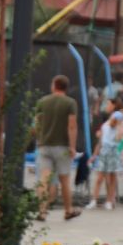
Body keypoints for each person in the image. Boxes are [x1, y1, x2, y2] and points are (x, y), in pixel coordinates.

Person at [34, 75, 81, 221]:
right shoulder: (70, 103)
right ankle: (68, 210)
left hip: (44, 145)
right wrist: (72, 147)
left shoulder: (42, 102)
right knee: (64, 179)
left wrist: (40, 139)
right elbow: (71, 126)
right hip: (62, 146)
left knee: (44, 178)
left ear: (54, 85)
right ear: (66, 87)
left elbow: (37, 124)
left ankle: (42, 211)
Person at [90, 100, 123, 210]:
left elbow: (120, 138)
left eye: (108, 104)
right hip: (104, 152)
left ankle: (110, 200)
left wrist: (119, 126)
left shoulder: (120, 120)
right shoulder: (105, 125)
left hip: (114, 152)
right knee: (100, 178)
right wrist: (94, 155)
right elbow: (101, 141)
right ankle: (95, 200)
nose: (106, 106)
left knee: (111, 177)